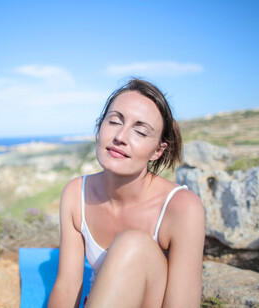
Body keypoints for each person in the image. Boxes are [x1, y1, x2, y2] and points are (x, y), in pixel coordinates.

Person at [48, 78, 205, 308]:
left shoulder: (181, 207)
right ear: (100, 126)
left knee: (132, 243)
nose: (120, 137)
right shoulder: (76, 194)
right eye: (114, 121)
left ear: (157, 151)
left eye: (140, 132)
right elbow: (68, 286)